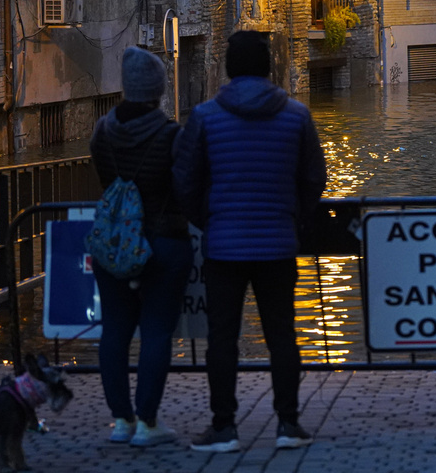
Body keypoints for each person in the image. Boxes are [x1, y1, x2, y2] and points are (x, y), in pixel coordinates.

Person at [173, 30, 327, 452]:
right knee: (283, 336)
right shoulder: (296, 116)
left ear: (228, 68)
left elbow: (185, 182)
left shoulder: (205, 117)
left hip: (224, 245)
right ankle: (288, 425)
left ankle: (224, 427)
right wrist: (294, 216)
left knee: (222, 338)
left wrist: (209, 220)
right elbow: (315, 177)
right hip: (278, 243)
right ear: (269, 68)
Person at [88, 46, 192, 447]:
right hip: (165, 243)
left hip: (114, 244)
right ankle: (148, 422)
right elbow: (184, 188)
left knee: (114, 330)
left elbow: (104, 181)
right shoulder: (172, 135)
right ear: (158, 91)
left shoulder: (102, 132)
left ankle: (121, 421)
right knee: (156, 331)